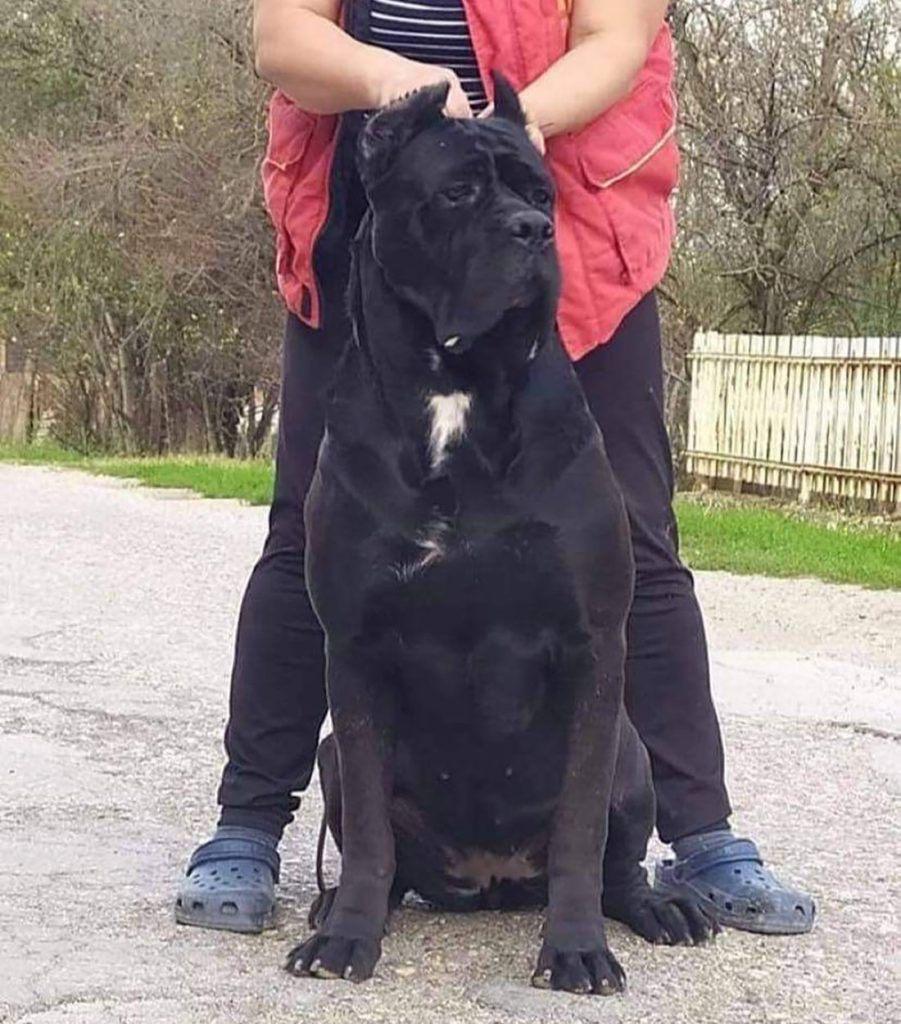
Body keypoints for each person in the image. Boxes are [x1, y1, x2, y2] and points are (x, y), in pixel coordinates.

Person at [175, 0, 814, 938]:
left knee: (632, 533)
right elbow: (284, 38)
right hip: (386, 224)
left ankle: (703, 837)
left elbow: (616, 41)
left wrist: (509, 131)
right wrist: (403, 92)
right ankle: (246, 828)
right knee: (308, 529)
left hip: (554, 205)